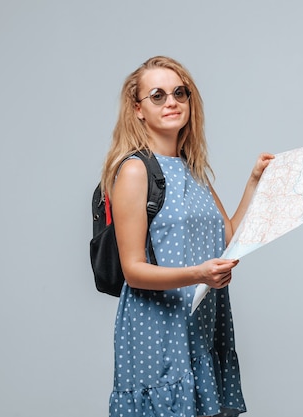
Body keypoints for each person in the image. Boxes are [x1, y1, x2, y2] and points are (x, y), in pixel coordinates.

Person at [100, 56, 273, 417]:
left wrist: (254, 181)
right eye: (158, 96)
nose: (172, 102)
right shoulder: (134, 171)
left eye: (180, 93)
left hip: (201, 323)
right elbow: (133, 270)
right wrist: (199, 274)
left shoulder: (194, 170)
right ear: (138, 110)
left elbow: (227, 237)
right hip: (157, 331)